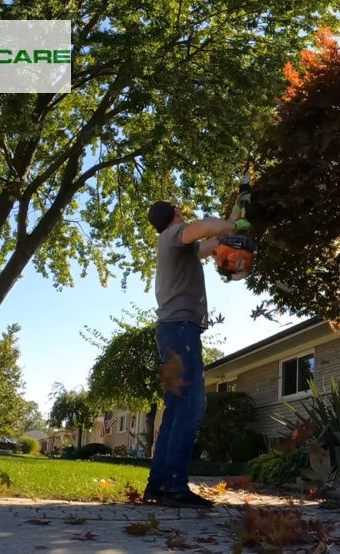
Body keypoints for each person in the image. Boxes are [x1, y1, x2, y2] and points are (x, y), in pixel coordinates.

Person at [142, 200, 250, 508]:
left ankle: (159, 485)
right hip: (179, 331)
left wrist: (232, 222)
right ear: (175, 215)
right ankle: (174, 485)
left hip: (172, 331)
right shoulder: (174, 235)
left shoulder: (180, 248)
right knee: (191, 405)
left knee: (176, 407)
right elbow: (204, 227)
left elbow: (212, 243)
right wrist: (234, 226)